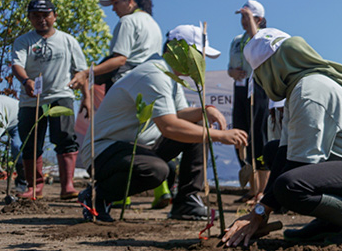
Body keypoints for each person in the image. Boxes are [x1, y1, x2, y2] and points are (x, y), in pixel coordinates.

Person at [222, 30, 342, 247]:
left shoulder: (309, 91)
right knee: (272, 151)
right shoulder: (298, 89)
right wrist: (260, 212)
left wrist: (259, 213)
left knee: (289, 186)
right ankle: (334, 220)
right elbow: (284, 155)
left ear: (270, 69)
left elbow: (299, 163)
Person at [77, 25, 248, 222]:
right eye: (198, 55)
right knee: (156, 170)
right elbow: (169, 126)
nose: (201, 63)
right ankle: (96, 196)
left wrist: (205, 110)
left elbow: (179, 115)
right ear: (178, 51)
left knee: (197, 129)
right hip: (104, 152)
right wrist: (220, 136)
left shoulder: (169, 76)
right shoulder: (154, 75)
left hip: (136, 148)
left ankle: (186, 201)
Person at [72, 0, 170, 208]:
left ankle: (119, 195)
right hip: (150, 83)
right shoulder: (153, 23)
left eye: (116, 3)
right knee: (142, 135)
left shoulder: (127, 21)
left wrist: (87, 72)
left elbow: (120, 59)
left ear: (130, 0)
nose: (113, 9)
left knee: (120, 136)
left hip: (127, 83)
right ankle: (161, 190)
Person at [11, 0, 90, 199]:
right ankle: (34, 187)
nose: (41, 19)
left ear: (54, 16)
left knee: (65, 139)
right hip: (31, 100)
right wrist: (26, 81)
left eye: (45, 15)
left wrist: (86, 98)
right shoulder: (22, 41)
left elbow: (81, 72)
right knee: (30, 142)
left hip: (61, 96)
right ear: (29, 18)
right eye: (35, 16)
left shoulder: (68, 41)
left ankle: (68, 187)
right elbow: (17, 65)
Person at [226, 0, 270, 203]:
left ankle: (263, 190)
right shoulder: (236, 40)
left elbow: (257, 41)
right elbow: (230, 67)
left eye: (247, 17)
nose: (243, 21)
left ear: (259, 19)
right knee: (241, 135)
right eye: (242, 17)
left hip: (258, 89)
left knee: (258, 136)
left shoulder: (264, 37)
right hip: (240, 89)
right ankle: (252, 189)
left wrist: (254, 24)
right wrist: (232, 72)